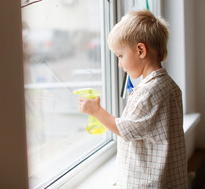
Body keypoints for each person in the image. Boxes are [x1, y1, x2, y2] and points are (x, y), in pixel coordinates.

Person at [78, 10, 188, 188]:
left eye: (120, 56)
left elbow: (126, 130)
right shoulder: (169, 86)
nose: (120, 64)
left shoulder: (150, 92)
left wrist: (96, 111)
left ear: (140, 50)